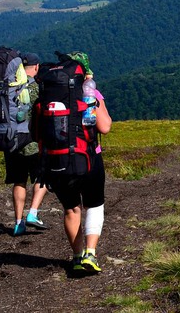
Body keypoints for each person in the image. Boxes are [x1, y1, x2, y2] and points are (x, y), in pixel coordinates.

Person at [49, 69, 112, 274]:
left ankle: (76, 257)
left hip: (57, 160)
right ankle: (90, 254)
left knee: (71, 208)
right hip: (89, 157)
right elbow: (104, 127)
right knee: (94, 205)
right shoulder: (90, 93)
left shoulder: (48, 94)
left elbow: (34, 130)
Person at [5, 52, 49, 236]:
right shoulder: (37, 88)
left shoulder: (10, 87)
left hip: (11, 141)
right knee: (43, 176)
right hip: (31, 141)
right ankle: (32, 213)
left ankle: (18, 223)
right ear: (36, 67)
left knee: (19, 180)